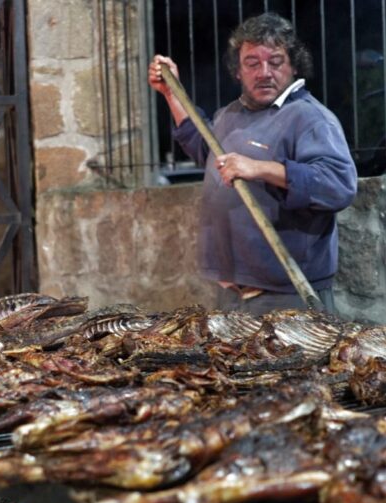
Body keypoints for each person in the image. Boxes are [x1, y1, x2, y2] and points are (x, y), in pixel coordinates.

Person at [148, 12, 357, 316]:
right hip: (233, 292)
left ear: (294, 65)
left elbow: (338, 186)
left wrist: (258, 168)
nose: (264, 73)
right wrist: (171, 93)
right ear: (238, 71)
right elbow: (204, 149)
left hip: (289, 296)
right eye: (252, 63)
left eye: (276, 62)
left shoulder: (310, 118)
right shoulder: (230, 115)